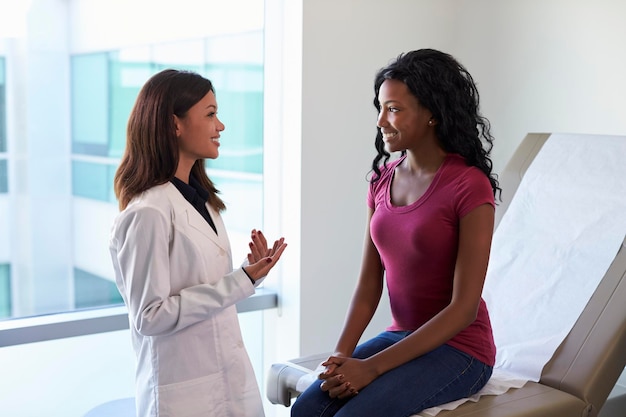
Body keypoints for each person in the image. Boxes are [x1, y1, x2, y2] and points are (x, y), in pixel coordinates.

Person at [291, 48, 501, 417]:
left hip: (462, 349)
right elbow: (369, 285)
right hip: (402, 335)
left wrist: (370, 367)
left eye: (394, 109)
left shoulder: (469, 185)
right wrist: (341, 357)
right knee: (307, 410)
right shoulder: (380, 181)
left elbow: (464, 309)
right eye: (380, 107)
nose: (380, 121)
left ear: (433, 114)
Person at [109, 69, 287, 417]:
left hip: (227, 381)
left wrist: (251, 274)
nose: (220, 126)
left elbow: (204, 288)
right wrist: (241, 281)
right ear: (175, 124)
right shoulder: (148, 213)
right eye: (210, 114)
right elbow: (150, 316)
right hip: (183, 395)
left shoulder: (200, 201)